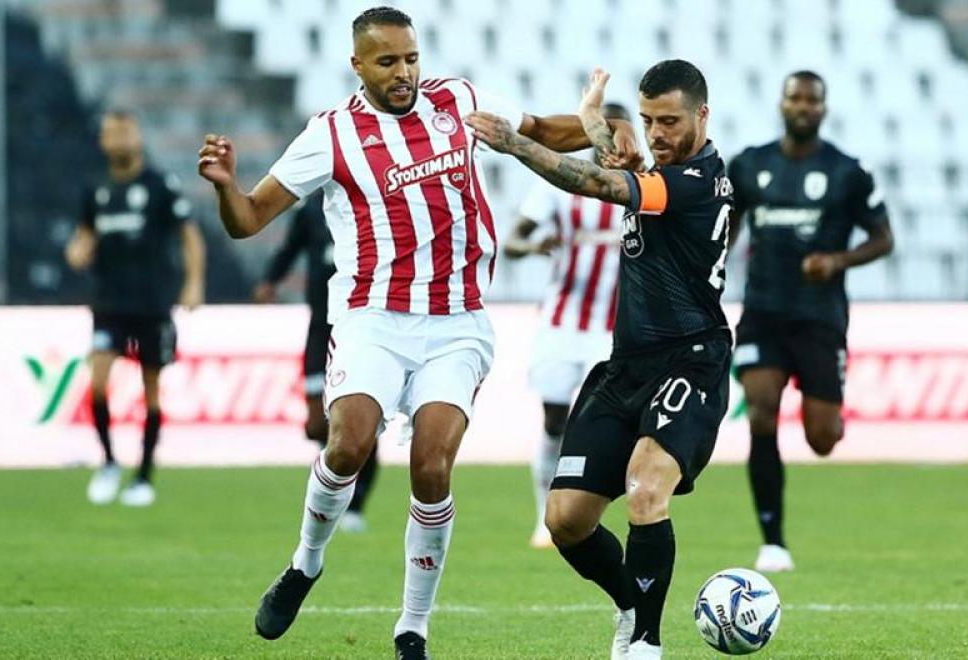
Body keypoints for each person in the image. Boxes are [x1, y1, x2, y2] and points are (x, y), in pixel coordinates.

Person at [197, 7, 639, 658]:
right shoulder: (331, 134)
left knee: (431, 467)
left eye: (410, 58)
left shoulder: (456, 101)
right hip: (372, 318)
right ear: (358, 66)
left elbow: (542, 130)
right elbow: (248, 219)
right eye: (387, 62)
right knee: (348, 445)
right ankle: (304, 564)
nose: (403, 72)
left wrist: (606, 128)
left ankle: (413, 627)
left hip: (456, 321)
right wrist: (225, 188)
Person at [468, 62, 734, 660]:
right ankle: (629, 605)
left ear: (702, 116)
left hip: (690, 361)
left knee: (645, 486)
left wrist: (515, 143)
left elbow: (600, 183)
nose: (657, 134)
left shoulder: (697, 181)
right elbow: (611, 150)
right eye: (648, 120)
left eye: (670, 121)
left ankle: (645, 643)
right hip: (626, 365)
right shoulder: (659, 169)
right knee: (565, 519)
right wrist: (593, 114)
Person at [726, 71, 893, 573]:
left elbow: (883, 238)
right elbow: (726, 230)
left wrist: (837, 261)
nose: (802, 106)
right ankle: (773, 542)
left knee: (822, 439)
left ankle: (826, 414)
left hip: (820, 318)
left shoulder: (847, 172)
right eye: (794, 98)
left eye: (811, 100)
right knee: (761, 413)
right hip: (763, 312)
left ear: (823, 108)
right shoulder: (749, 165)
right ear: (781, 104)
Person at [502, 103, 630, 549]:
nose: (611, 141)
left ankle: (586, 515)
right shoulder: (559, 185)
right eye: (602, 131)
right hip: (562, 323)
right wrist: (535, 245)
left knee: (601, 426)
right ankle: (544, 514)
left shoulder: (640, 188)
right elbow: (511, 241)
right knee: (555, 420)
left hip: (613, 330)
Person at [66, 110, 206, 507]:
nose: (118, 139)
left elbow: (190, 236)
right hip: (109, 302)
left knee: (151, 390)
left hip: (152, 303)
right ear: (102, 141)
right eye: (110, 133)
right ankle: (110, 462)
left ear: (138, 137)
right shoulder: (96, 189)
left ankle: (144, 475)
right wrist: (77, 250)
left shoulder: (160, 185)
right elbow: (84, 235)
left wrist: (193, 282)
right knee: (97, 381)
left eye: (124, 132)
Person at [254, 192, 377, 533]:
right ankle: (336, 487)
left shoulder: (373, 195)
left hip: (363, 327)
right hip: (321, 328)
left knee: (363, 420)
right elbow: (290, 247)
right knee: (316, 425)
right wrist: (270, 280)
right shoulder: (310, 207)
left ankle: (356, 503)